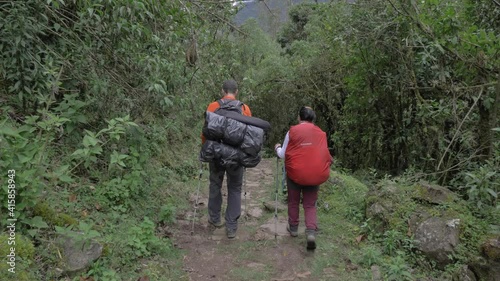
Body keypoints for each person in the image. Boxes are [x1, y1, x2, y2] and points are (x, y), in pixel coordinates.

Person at [274, 106, 332, 250]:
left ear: (299, 118)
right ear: (313, 119)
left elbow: (283, 154)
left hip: (295, 173)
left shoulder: (292, 131)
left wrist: (277, 148)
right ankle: (311, 232)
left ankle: (293, 228)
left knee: (293, 201)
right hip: (315, 173)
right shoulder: (321, 133)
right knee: (310, 204)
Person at [203, 79, 251, 239]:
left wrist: (206, 149)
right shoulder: (244, 108)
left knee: (215, 184)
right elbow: (248, 134)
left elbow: (206, 131)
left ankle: (215, 219)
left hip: (216, 153)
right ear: (236, 91)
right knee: (235, 188)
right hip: (236, 156)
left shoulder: (212, 106)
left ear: (222, 91)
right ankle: (231, 227)